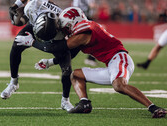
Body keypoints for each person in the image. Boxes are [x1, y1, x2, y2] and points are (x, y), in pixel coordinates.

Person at [15, 7, 167, 118]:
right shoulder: (82, 30)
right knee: (75, 75)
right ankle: (84, 103)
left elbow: (60, 47)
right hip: (110, 65)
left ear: (72, 22)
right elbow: (71, 53)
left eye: (64, 24)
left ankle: (153, 107)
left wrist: (32, 42)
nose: (63, 28)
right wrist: (50, 62)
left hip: (119, 58)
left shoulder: (85, 32)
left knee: (119, 85)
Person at [0, 0, 74, 112]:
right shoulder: (32, 7)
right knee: (16, 45)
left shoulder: (64, 25)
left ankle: (65, 101)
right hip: (38, 23)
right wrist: (15, 5)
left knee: (67, 69)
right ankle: (13, 82)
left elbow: (56, 48)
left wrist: (33, 43)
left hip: (56, 35)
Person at [72, 0, 97, 66]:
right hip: (82, 18)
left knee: (92, 37)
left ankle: (91, 58)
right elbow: (76, 6)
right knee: (81, 39)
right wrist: (88, 8)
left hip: (89, 17)